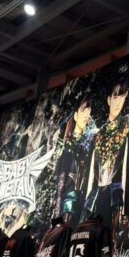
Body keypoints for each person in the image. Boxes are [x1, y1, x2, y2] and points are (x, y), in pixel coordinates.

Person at [83, 79, 129, 234]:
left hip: (116, 195)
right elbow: (91, 172)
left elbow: (126, 169)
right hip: (96, 196)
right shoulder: (98, 135)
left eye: (122, 97)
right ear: (109, 100)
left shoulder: (127, 128)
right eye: (115, 97)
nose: (118, 102)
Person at [55, 93, 95, 224]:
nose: (86, 115)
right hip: (67, 200)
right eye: (83, 110)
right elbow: (60, 181)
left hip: (83, 199)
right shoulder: (66, 145)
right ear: (76, 115)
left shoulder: (90, 142)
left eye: (88, 111)